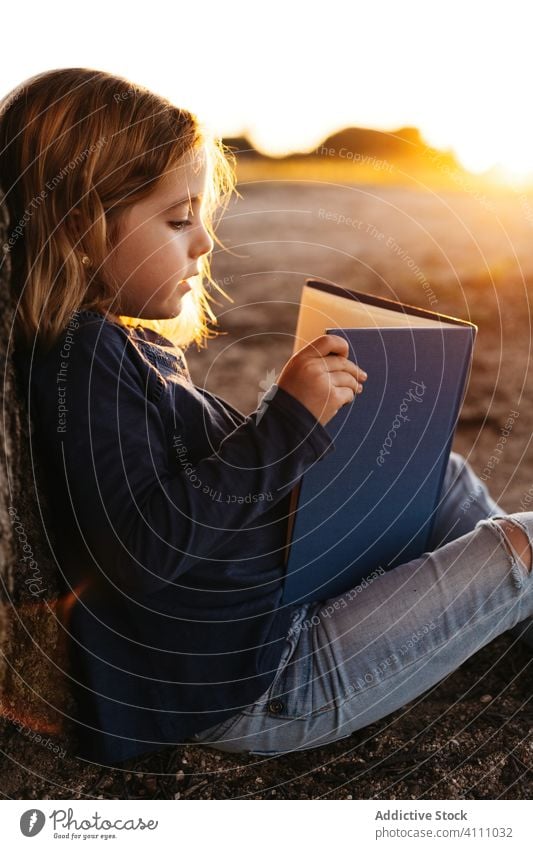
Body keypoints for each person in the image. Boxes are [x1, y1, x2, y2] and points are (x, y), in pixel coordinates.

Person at [2, 68, 532, 766]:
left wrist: (303, 438)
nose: (202, 244)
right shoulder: (83, 357)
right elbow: (137, 551)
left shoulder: (110, 347)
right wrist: (286, 424)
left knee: (442, 476)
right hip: (261, 681)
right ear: (79, 225)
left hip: (264, 621)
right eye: (176, 218)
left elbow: (184, 496)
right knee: (524, 540)